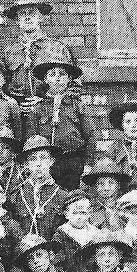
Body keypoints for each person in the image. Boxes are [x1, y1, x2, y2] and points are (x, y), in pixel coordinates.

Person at [25, 50, 90, 189]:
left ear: (69, 78)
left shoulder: (76, 105)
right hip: (47, 163)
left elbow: (91, 135)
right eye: (52, 74)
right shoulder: (38, 108)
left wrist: (88, 163)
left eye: (62, 74)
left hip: (73, 161)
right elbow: (31, 138)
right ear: (46, 79)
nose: (57, 78)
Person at [0, 0, 66, 103]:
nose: (27, 17)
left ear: (40, 17)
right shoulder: (8, 51)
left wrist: (46, 101)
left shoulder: (57, 48)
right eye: (22, 14)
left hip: (46, 113)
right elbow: (1, 87)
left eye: (31, 13)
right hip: (17, 113)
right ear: (17, 20)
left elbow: (73, 87)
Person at [11, 135, 65, 240]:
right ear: (26, 164)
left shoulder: (62, 195)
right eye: (33, 159)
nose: (39, 164)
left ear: (51, 161)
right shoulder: (16, 195)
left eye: (43, 158)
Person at [51, 189, 100, 272]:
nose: (79, 217)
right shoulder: (61, 234)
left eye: (83, 213)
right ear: (66, 214)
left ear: (89, 213)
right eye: (74, 213)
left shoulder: (95, 234)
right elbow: (57, 263)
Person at [83, 157, 128, 231]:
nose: (106, 188)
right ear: (95, 186)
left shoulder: (125, 208)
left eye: (111, 183)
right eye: (101, 183)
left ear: (118, 185)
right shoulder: (88, 210)